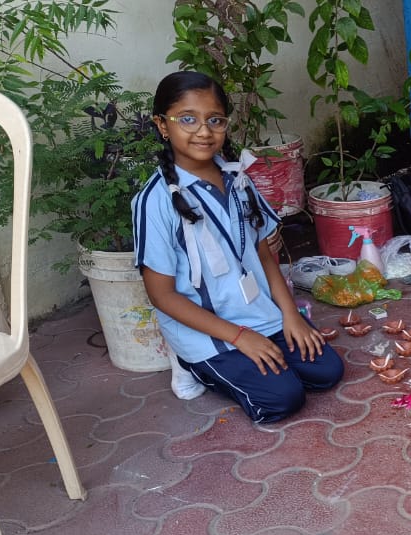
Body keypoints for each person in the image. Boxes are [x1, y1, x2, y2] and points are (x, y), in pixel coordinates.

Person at [134, 71, 344, 423]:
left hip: (257, 314)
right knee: (283, 399)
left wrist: (290, 315)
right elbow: (162, 296)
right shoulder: (154, 201)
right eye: (188, 119)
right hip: (208, 331)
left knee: (327, 371)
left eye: (214, 120)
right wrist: (240, 338)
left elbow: (263, 253)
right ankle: (191, 364)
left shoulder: (237, 178)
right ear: (162, 125)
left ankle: (255, 354)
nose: (203, 131)